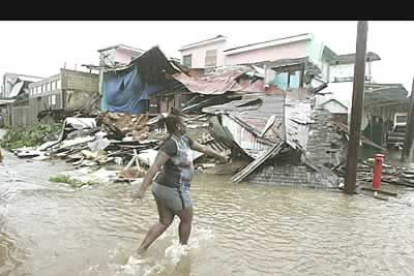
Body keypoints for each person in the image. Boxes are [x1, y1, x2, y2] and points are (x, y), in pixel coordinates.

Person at [132, 108, 228, 253]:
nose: (186, 126)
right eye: (184, 124)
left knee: (164, 221)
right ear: (178, 126)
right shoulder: (171, 144)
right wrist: (141, 190)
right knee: (187, 219)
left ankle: (140, 250)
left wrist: (220, 156)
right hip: (174, 188)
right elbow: (156, 166)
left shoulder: (185, 139)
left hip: (163, 187)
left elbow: (204, 149)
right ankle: (182, 250)